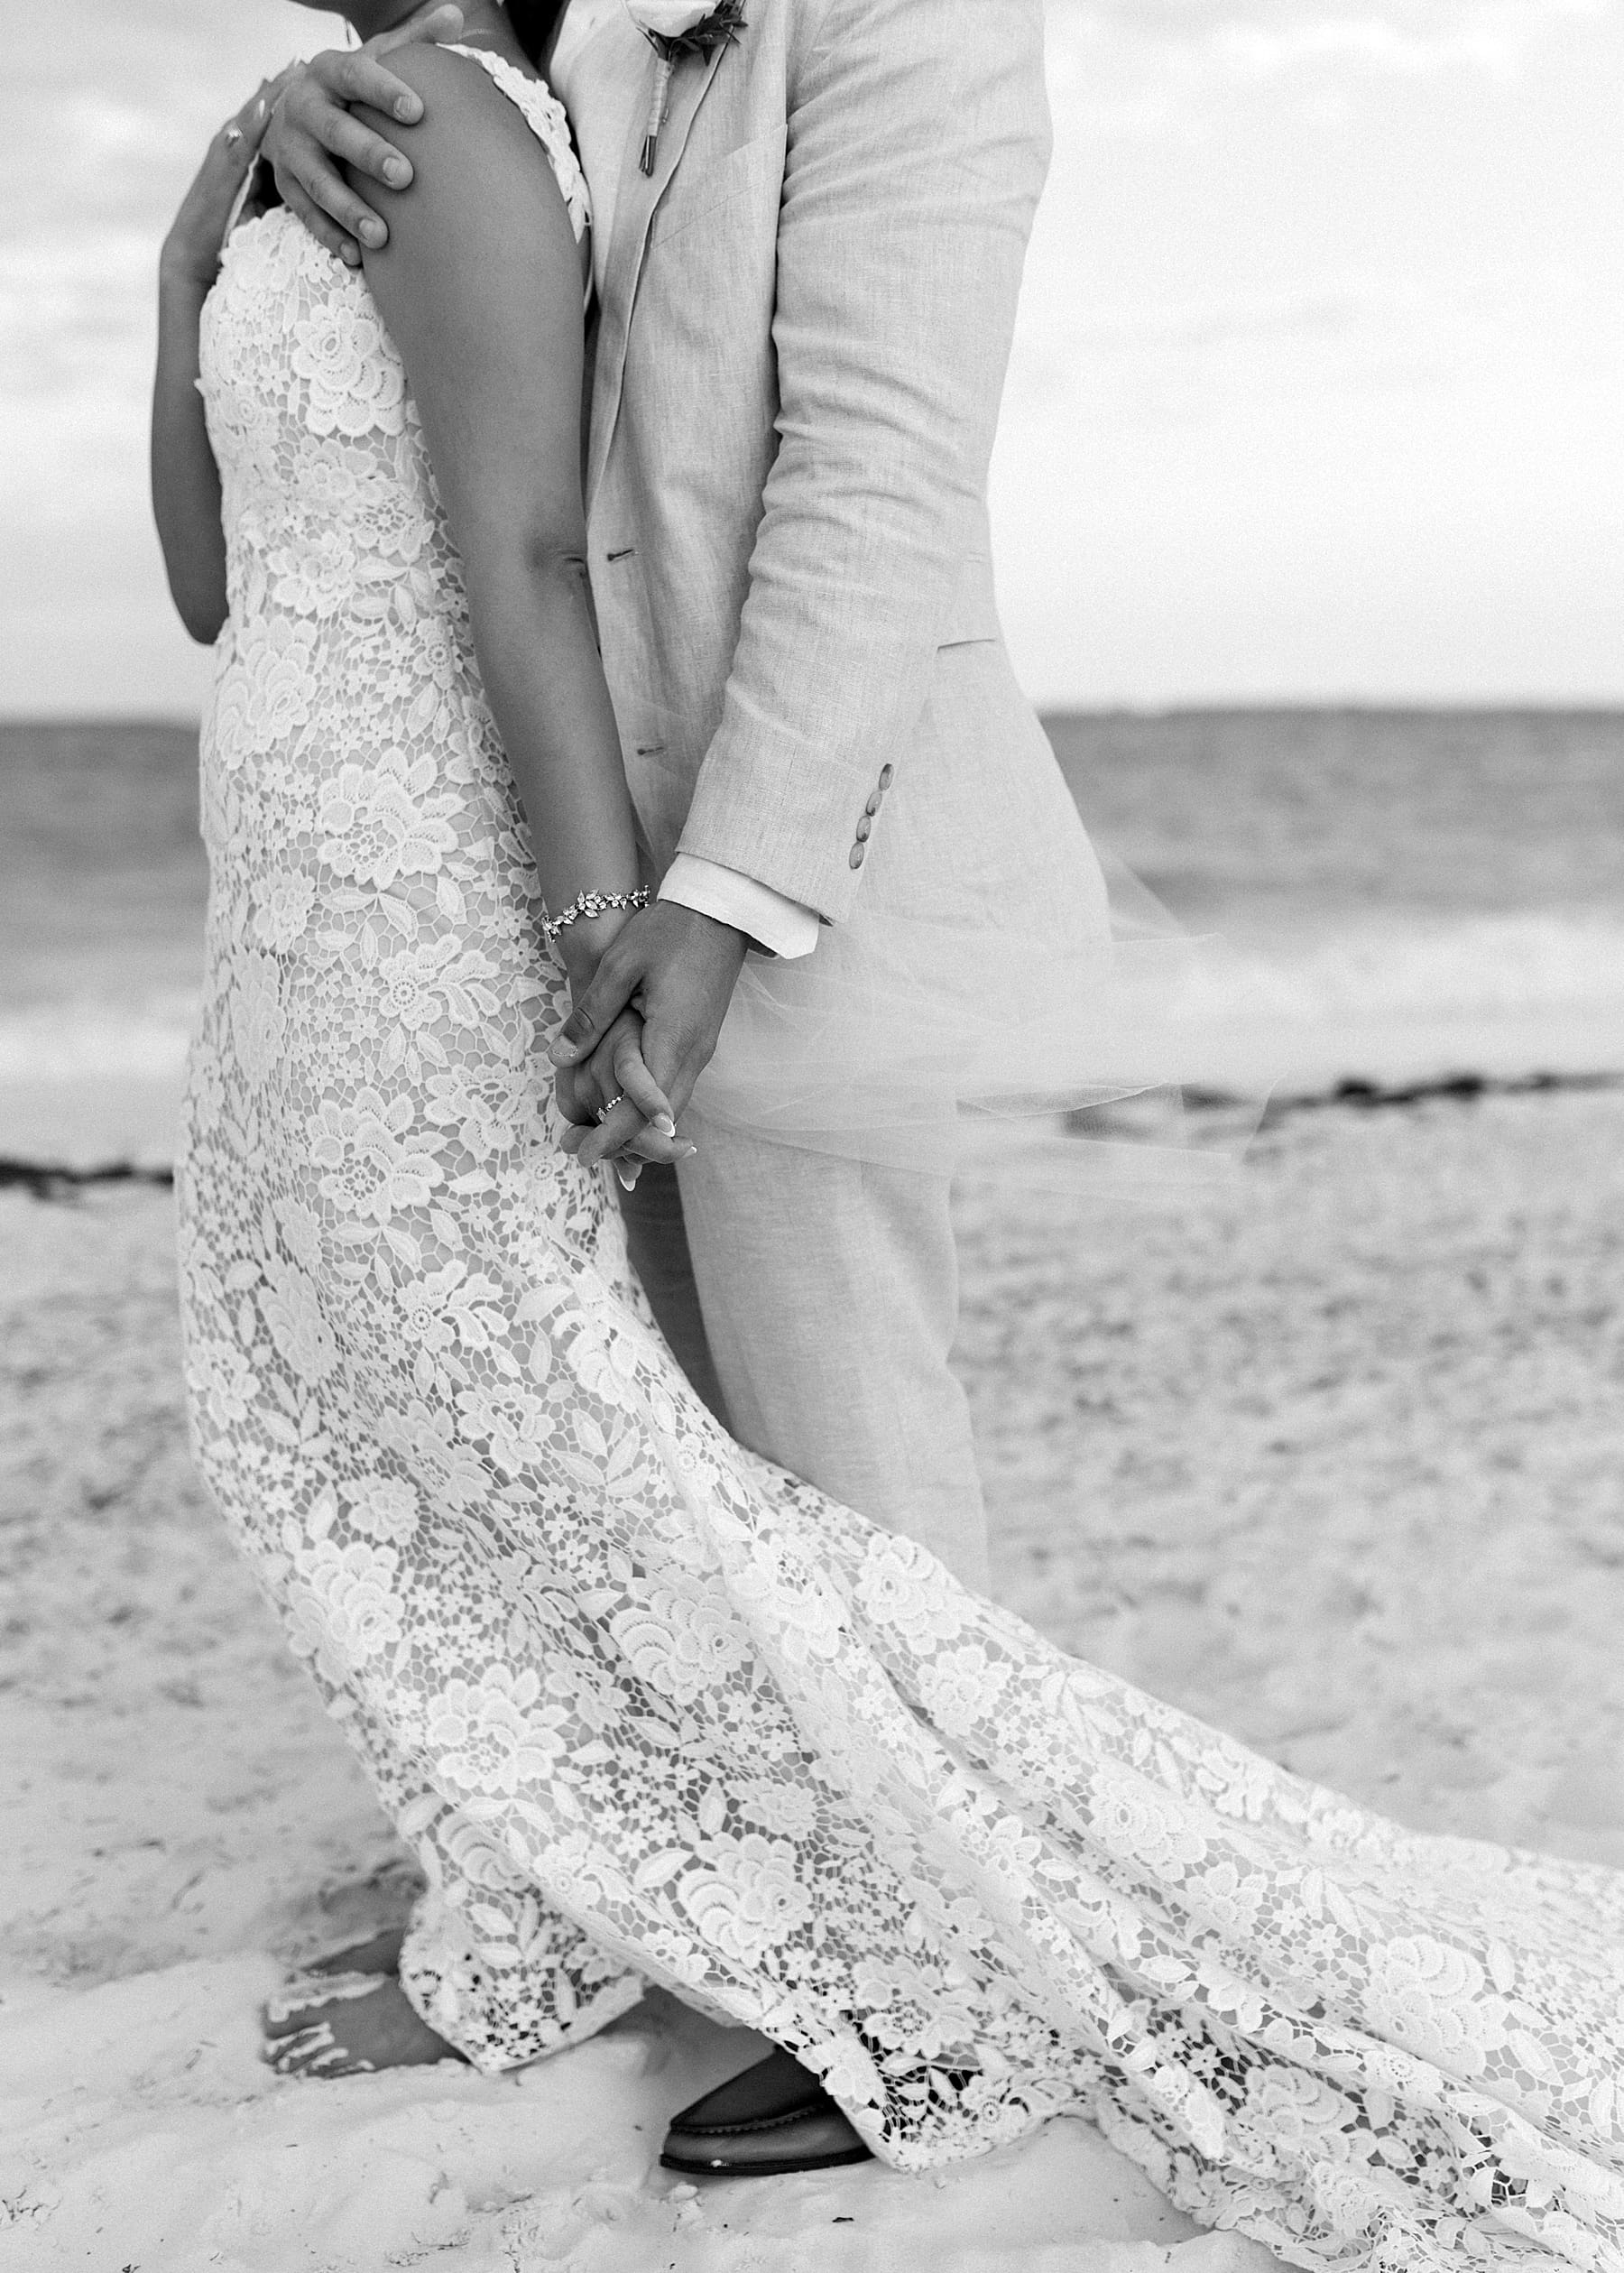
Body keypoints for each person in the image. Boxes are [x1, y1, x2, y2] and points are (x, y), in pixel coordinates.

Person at [154, 0, 1624, 2251]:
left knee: (840, 1427)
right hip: (516, 826)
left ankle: (948, 1986)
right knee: (651, 1454)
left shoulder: (907, 19)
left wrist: (707, 900)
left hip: (776, 834)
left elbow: (881, 471)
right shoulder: (531, 49)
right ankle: (694, 1882)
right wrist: (225, 200)